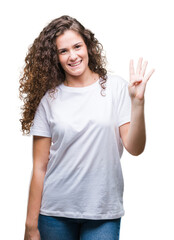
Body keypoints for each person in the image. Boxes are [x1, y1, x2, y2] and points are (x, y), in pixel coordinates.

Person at [19, 15, 155, 240]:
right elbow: (40, 168)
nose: (72, 56)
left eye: (77, 46)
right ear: (56, 57)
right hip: (54, 213)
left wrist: (138, 104)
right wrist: (30, 226)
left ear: (88, 47)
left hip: (103, 211)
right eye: (63, 51)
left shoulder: (116, 88)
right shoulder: (49, 100)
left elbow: (135, 147)